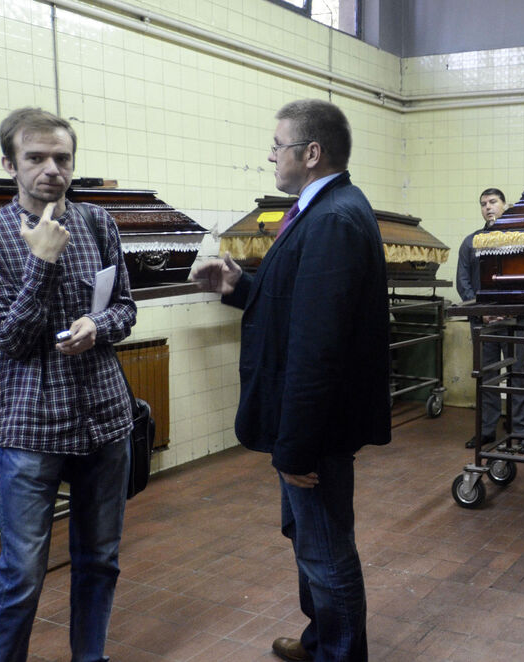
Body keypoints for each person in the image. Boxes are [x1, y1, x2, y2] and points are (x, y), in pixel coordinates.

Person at [189, 99, 390, 662]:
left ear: (311, 152)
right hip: (308, 423)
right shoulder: (322, 208)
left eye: (277, 146)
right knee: (309, 541)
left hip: (314, 428)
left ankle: (339, 654)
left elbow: (319, 346)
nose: (271, 155)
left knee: (326, 552)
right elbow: (297, 305)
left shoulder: (331, 218)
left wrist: (297, 447)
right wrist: (240, 286)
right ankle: (320, 641)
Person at [0, 108, 136, 662]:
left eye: (62, 158)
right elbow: (9, 340)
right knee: (21, 575)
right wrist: (41, 262)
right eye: (35, 158)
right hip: (31, 430)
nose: (51, 169)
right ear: (9, 165)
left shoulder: (97, 223)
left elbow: (125, 309)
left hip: (105, 420)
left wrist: (98, 325)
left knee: (100, 560)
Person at [455, 188, 524, 453]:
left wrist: (512, 310)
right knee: (487, 377)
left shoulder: (520, 240)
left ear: (504, 205)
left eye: (493, 202)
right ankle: (487, 431)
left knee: (518, 374)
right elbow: (463, 282)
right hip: (483, 322)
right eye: (483, 204)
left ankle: (522, 431)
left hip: (514, 320)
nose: (488, 207)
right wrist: (481, 312)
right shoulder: (471, 242)